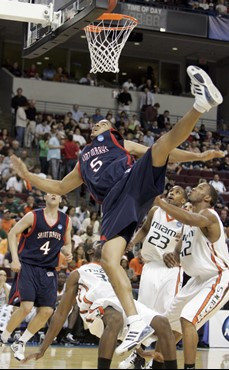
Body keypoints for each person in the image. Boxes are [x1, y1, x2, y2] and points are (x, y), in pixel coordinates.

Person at [11, 66, 224, 354]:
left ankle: (201, 103)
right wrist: (28, 175)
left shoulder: (117, 141)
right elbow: (59, 187)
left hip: (130, 181)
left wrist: (198, 155)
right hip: (114, 204)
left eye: (103, 123)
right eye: (96, 124)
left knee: (158, 147)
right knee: (110, 260)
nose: (98, 125)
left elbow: (166, 151)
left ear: (110, 130)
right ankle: (134, 321)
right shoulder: (83, 159)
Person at [24, 244, 178, 370]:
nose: (106, 243)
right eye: (100, 243)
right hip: (97, 308)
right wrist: (42, 348)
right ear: (91, 251)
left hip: (124, 307)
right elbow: (61, 313)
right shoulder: (78, 273)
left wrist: (139, 350)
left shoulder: (115, 268)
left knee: (163, 324)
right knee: (115, 317)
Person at [154, 183, 229, 370]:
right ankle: (155, 365)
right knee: (167, 326)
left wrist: (160, 203)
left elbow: (188, 217)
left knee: (187, 319)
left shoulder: (209, 215)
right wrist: (171, 254)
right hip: (197, 280)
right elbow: (179, 250)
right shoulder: (188, 225)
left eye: (200, 188)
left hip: (217, 277)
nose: (194, 188)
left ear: (208, 199)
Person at [121, 185, 187, 369]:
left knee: (166, 316)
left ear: (183, 201)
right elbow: (145, 229)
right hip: (150, 266)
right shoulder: (155, 210)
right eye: (171, 190)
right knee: (144, 314)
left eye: (178, 191)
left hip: (171, 270)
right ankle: (138, 356)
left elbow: (189, 246)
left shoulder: (186, 220)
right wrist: (132, 242)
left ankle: (156, 360)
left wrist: (177, 253)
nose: (172, 192)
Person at [0, 194, 72, 361]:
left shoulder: (65, 220)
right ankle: (3, 337)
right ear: (45, 197)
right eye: (50, 192)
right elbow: (12, 233)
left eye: (57, 192)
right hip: (28, 266)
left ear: (61, 199)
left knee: (47, 311)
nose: (54, 194)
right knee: (25, 307)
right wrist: (15, 259)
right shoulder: (33, 215)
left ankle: (21, 342)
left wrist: (67, 251)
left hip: (48, 270)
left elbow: (67, 244)